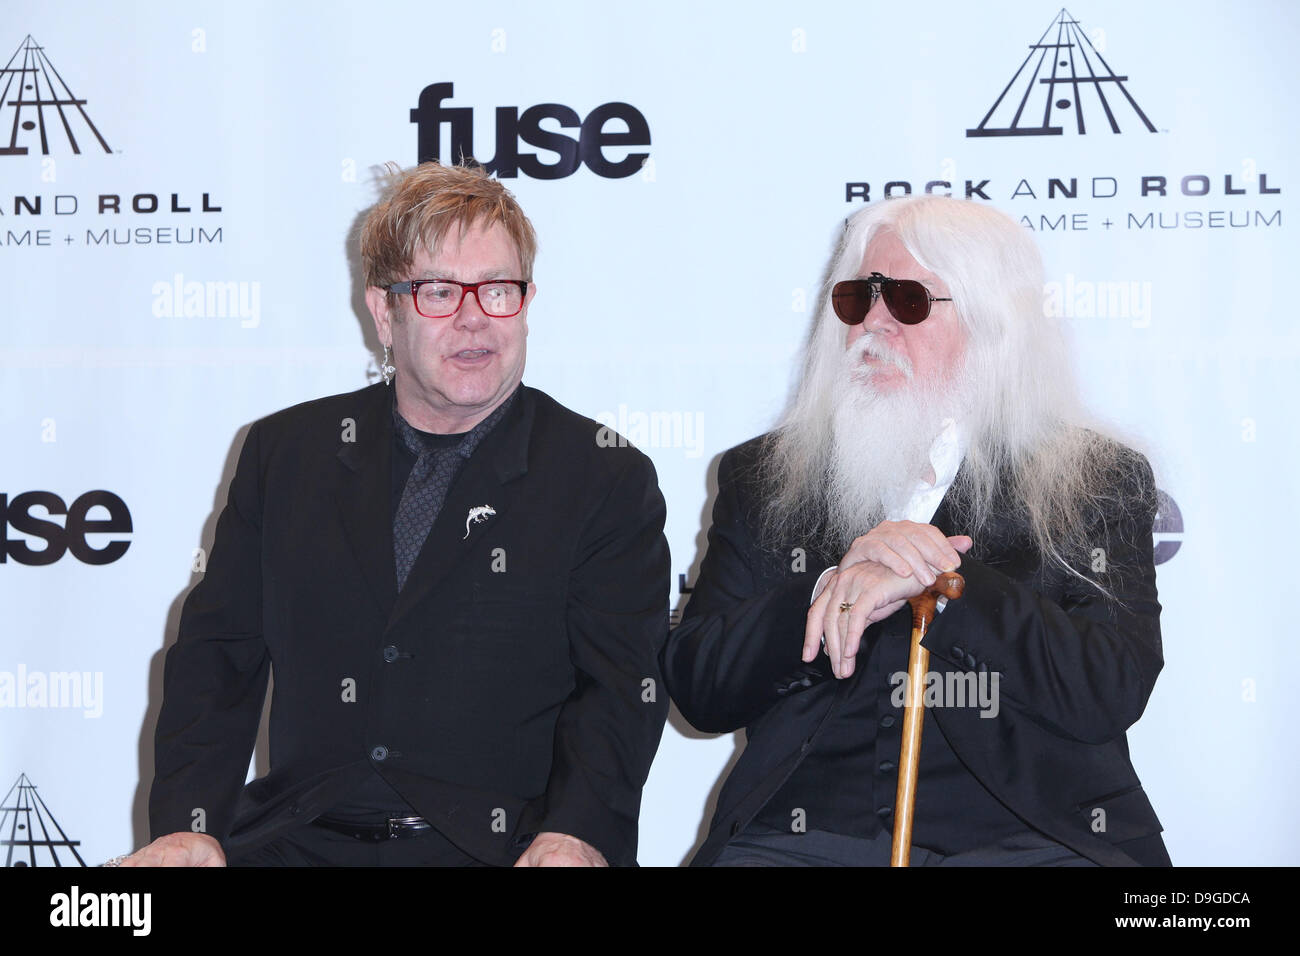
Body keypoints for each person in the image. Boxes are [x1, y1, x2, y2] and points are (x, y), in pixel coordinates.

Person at [124, 162, 669, 867]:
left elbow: (622, 690)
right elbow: (217, 656)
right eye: (440, 292)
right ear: (385, 311)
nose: (475, 319)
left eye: (498, 291)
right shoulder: (287, 455)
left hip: (501, 850)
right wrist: (188, 827)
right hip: (298, 841)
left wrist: (578, 831)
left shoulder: (602, 475)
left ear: (528, 302)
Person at [662, 195, 1169, 866]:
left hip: (1036, 838)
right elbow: (699, 685)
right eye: (856, 298)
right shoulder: (766, 476)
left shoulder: (1092, 479)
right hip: (801, 838)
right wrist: (830, 589)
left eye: (906, 299)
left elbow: (1112, 685)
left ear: (993, 325)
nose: (873, 322)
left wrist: (946, 582)